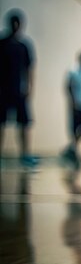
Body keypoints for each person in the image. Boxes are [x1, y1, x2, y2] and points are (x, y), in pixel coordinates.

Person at [0, 9, 38, 169]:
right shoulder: (2, 43)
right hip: (3, 90)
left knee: (24, 123)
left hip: (19, 90)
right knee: (0, 122)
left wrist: (30, 87)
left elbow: (30, 68)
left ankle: (25, 155)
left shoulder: (24, 46)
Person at [61, 51, 81, 171]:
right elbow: (68, 87)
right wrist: (72, 102)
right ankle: (73, 151)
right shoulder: (73, 71)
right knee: (75, 130)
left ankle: (71, 148)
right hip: (76, 104)